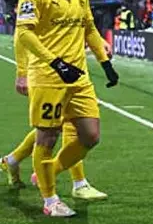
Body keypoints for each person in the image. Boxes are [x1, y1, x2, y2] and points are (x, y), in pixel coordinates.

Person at [13, 0, 119, 217]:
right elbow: (24, 33)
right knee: (47, 138)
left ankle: (46, 173)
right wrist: (54, 63)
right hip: (48, 77)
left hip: (79, 77)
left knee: (90, 136)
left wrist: (105, 63)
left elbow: (90, 29)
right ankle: (50, 201)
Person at [2, 34, 113, 197]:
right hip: (47, 73)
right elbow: (22, 33)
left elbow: (85, 25)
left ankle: (12, 160)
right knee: (56, 127)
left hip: (72, 68)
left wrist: (99, 43)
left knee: (60, 125)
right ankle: (75, 183)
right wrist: (22, 72)